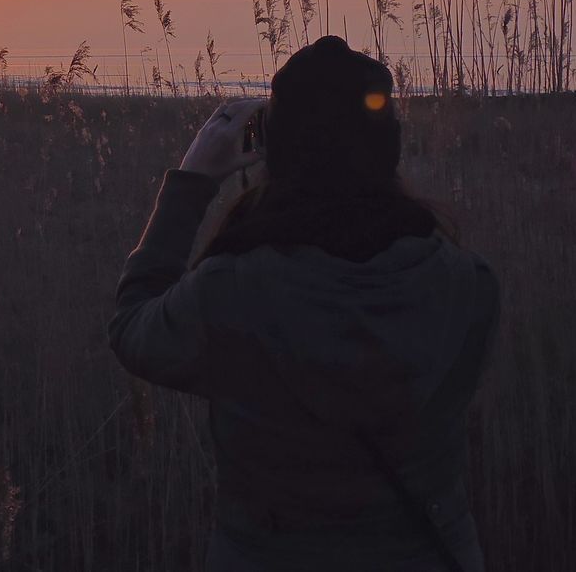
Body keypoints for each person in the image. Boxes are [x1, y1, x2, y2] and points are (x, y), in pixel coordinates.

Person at [108, 35, 500, 571]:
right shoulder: (469, 286)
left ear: (271, 148)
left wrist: (193, 180)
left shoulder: (234, 292)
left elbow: (134, 329)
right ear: (392, 146)